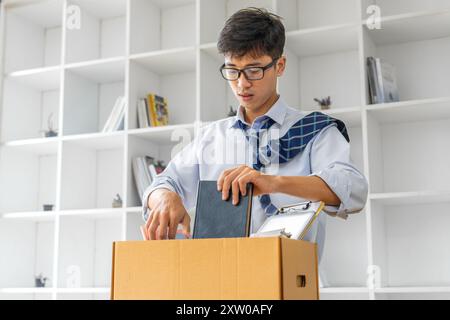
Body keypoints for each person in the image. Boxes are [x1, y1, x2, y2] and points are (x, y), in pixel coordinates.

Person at [140, 7, 368, 267]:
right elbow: (162, 183)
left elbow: (354, 190)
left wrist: (272, 182)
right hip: (217, 283)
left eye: (253, 70)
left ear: (279, 65)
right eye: (232, 70)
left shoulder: (316, 130)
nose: (242, 84)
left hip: (291, 283)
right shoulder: (211, 138)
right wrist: (165, 197)